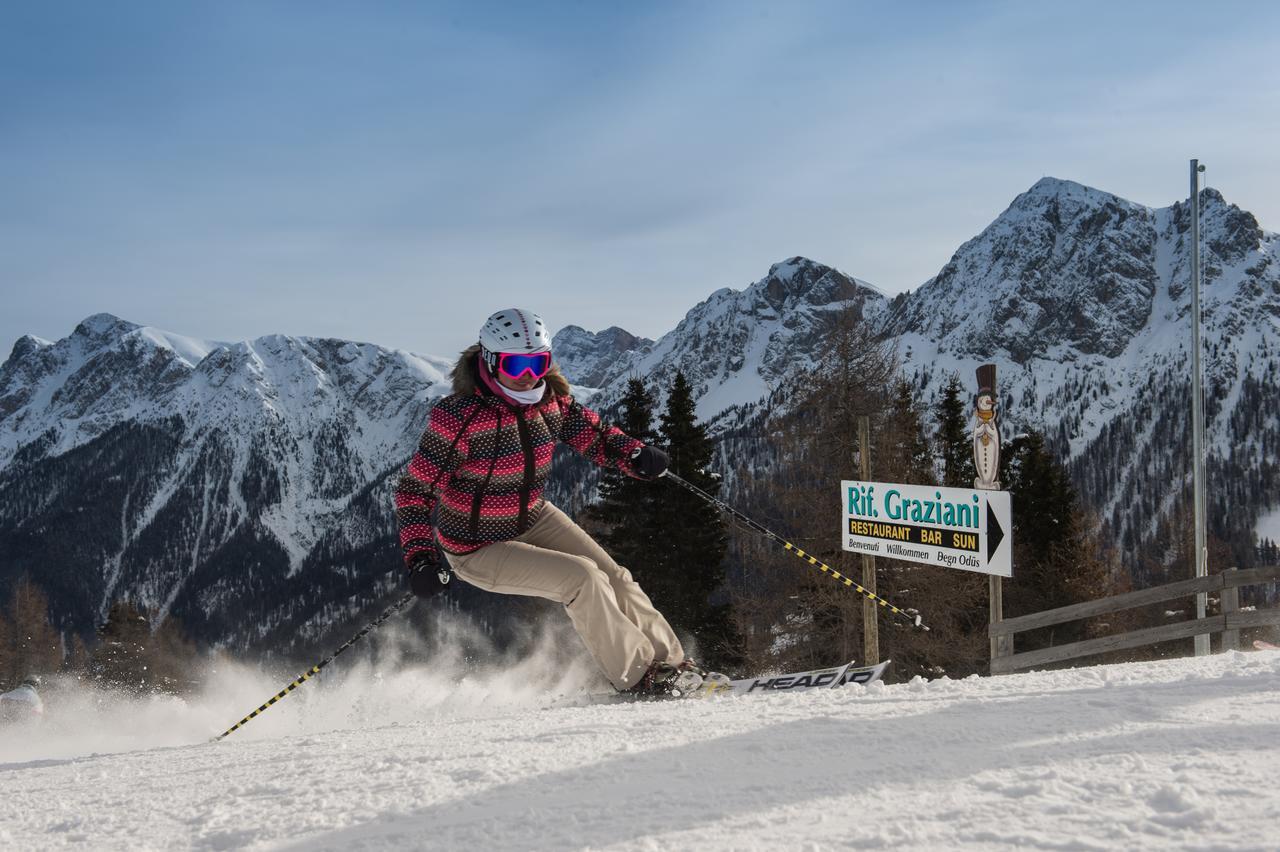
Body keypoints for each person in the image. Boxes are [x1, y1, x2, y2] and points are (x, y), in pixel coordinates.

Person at [395, 308, 710, 698]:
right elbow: (414, 493)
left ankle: (674, 666)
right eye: (516, 365)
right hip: (477, 546)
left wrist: (634, 455)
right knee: (582, 578)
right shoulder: (460, 418)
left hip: (531, 515)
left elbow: (596, 437)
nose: (528, 376)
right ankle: (640, 677)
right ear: (491, 362)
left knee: (616, 578)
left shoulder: (551, 402)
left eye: (538, 363)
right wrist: (421, 558)